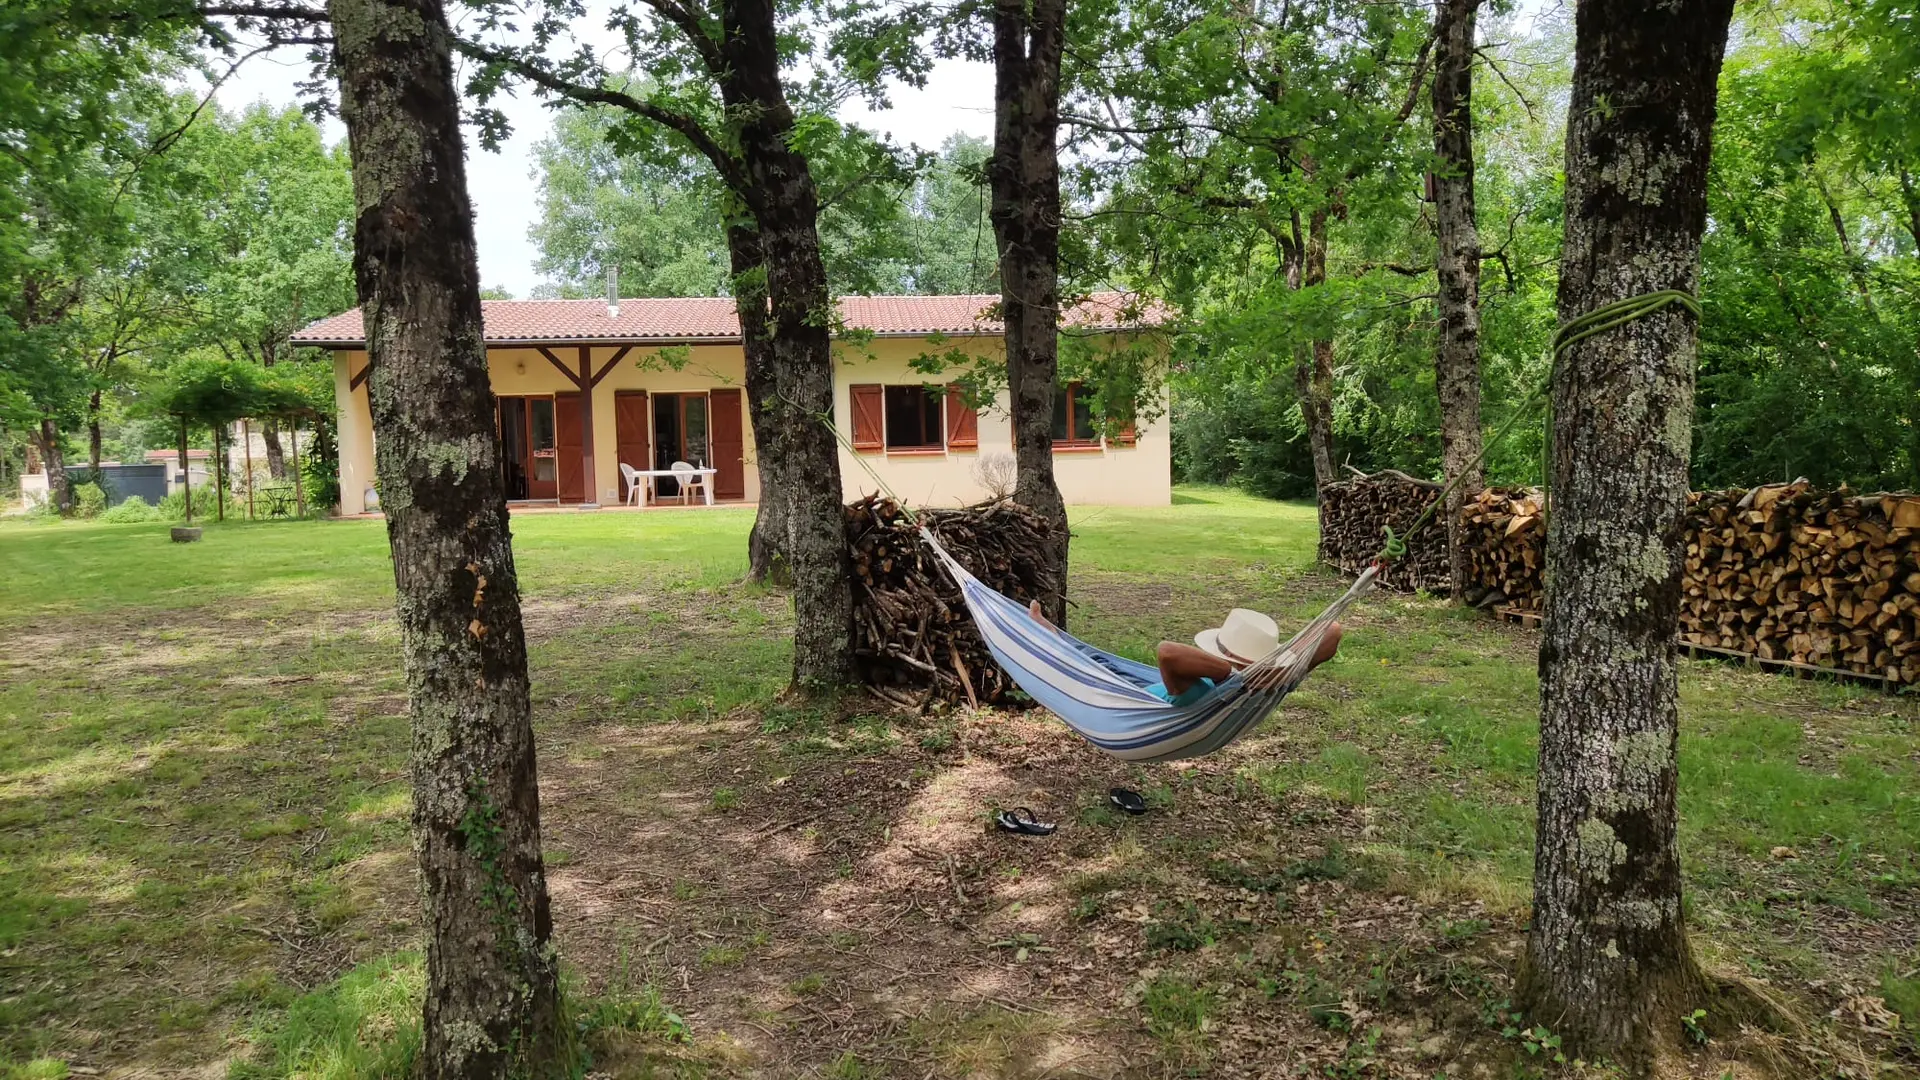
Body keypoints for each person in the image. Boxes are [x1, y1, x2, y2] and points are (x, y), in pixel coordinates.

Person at [1029, 602, 1342, 706]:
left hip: (1124, 699)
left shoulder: (1198, 691)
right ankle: (1052, 633)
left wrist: (1235, 677)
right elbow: (1334, 631)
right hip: (1126, 683)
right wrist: (1283, 665)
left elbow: (1167, 652)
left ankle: (1050, 634)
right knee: (1094, 660)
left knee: (1088, 665)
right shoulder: (1279, 682)